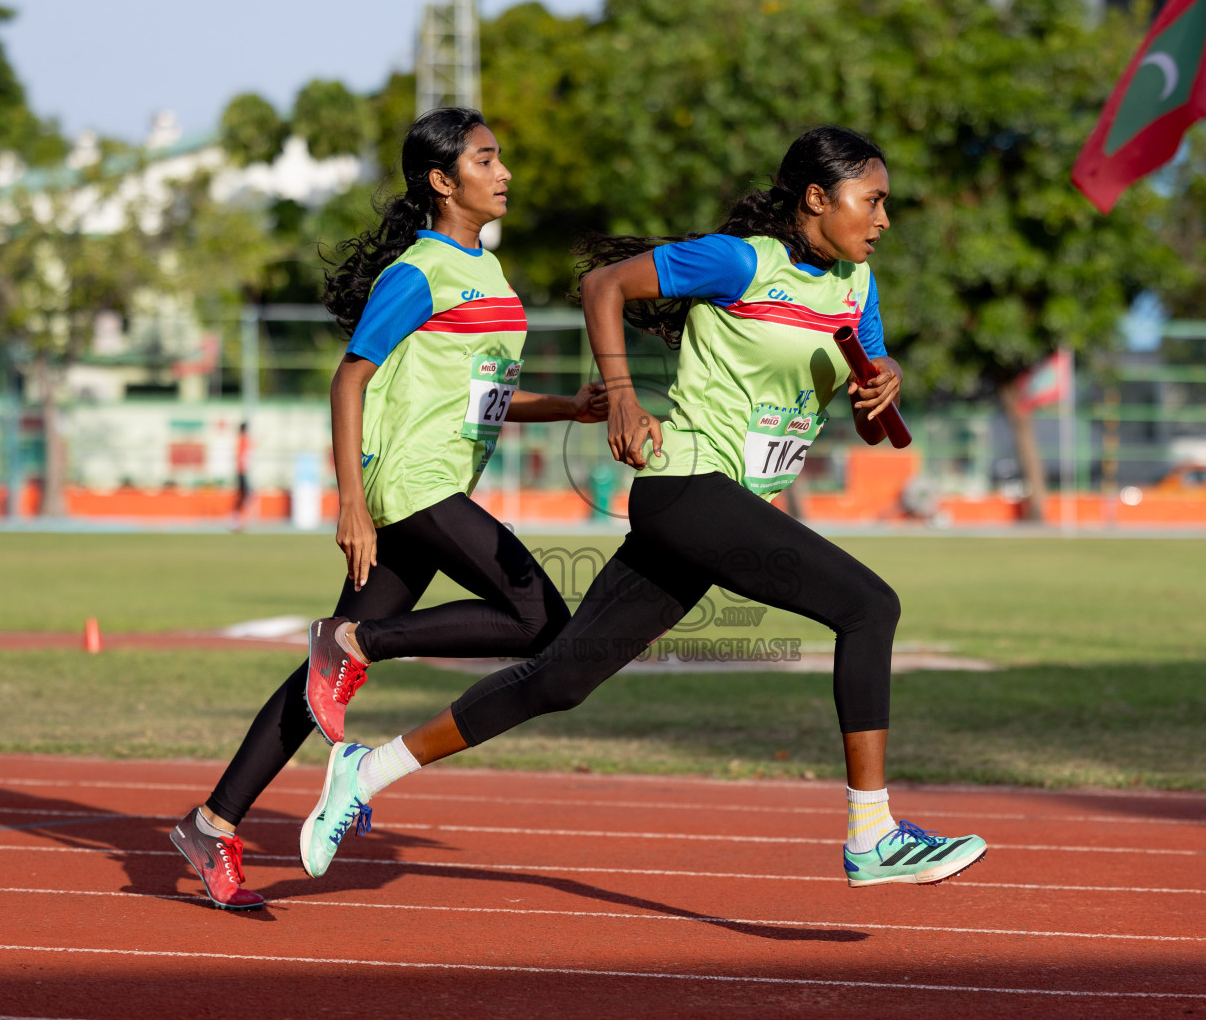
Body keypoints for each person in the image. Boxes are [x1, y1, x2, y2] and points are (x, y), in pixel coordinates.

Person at [298, 125, 987, 890]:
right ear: (818, 199)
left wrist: (882, 379)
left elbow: (867, 414)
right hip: (687, 487)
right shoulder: (739, 261)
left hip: (720, 506)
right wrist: (622, 397)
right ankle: (872, 832)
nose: (885, 219)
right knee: (868, 606)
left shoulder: (859, 288)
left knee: (560, 678)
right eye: (875, 200)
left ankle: (366, 771)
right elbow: (606, 286)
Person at [169, 107, 609, 910]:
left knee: (318, 683)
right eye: (485, 160)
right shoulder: (419, 271)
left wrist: (567, 410)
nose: (503, 172)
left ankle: (213, 821)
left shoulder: (487, 271)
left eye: (500, 157)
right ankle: (359, 640)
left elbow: (485, 397)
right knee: (538, 616)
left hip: (438, 482)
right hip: (408, 485)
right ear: (443, 181)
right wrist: (353, 504)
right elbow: (350, 379)